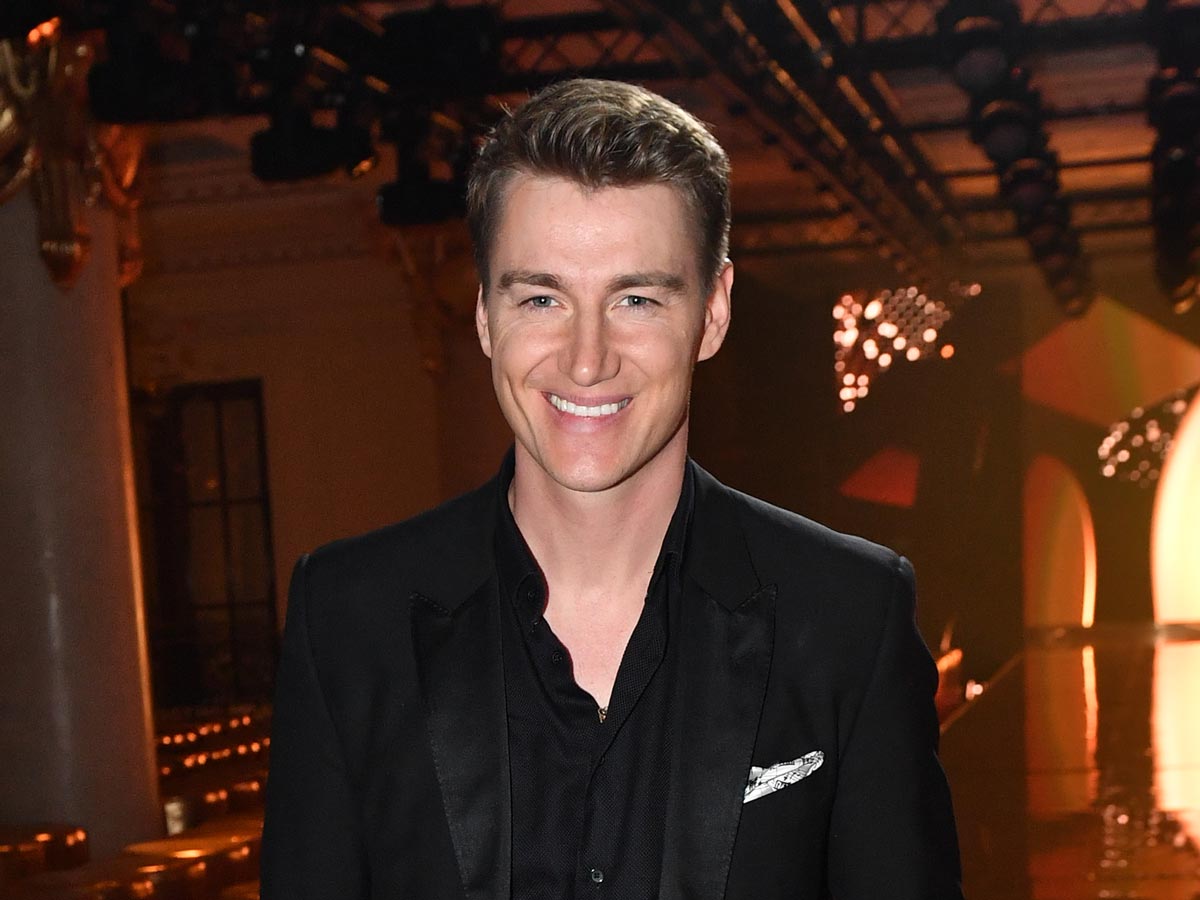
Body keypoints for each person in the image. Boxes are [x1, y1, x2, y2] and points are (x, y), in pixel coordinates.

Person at [260, 78, 963, 900]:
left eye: (635, 299)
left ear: (713, 312)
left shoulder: (848, 614)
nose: (586, 359)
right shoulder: (347, 617)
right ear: (485, 314)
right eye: (541, 298)